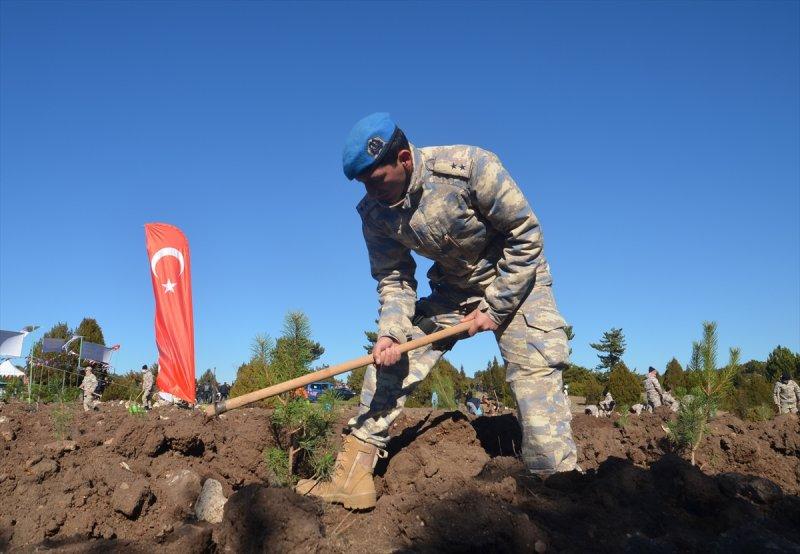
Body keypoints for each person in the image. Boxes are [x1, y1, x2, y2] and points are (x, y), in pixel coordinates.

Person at [296, 113, 577, 510]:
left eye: (377, 180)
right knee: (391, 360)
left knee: (536, 378)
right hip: (453, 290)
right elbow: (394, 279)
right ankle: (352, 475)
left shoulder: (468, 168)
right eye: (363, 184)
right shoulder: (375, 215)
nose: (372, 192)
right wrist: (391, 333)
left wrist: (495, 308)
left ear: (405, 159)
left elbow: (526, 235)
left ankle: (555, 494)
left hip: (516, 281)